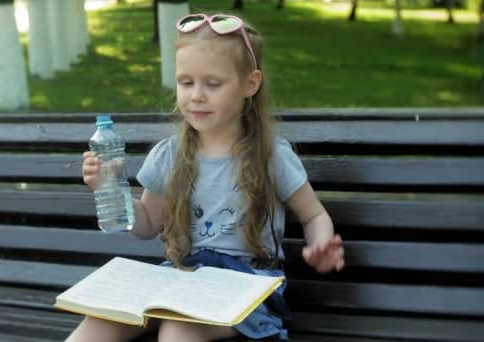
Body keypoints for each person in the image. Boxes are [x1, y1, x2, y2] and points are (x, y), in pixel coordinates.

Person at [68, 13, 344, 342]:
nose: (196, 95)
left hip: (247, 286)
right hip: (181, 278)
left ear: (250, 84)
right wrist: (111, 188)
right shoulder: (169, 155)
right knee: (100, 320)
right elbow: (146, 225)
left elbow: (313, 214)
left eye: (212, 84)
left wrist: (321, 244)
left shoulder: (270, 156)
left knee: (178, 329)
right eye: (186, 82)